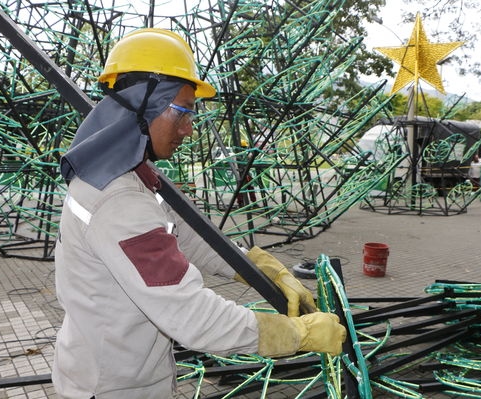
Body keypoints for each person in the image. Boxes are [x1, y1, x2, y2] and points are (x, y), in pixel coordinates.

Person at [52, 28, 346, 399]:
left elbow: (183, 238)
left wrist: (258, 267)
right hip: (114, 388)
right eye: (182, 113)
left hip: (121, 373)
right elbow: (192, 316)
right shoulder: (119, 199)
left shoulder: (126, 175)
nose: (188, 129)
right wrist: (296, 334)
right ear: (148, 105)